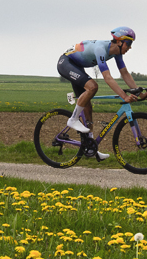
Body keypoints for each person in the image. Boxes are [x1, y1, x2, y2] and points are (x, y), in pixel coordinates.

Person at [57, 27, 141, 160]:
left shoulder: (117, 53)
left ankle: (90, 147)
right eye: (129, 43)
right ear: (119, 42)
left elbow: (124, 73)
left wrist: (140, 93)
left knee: (88, 106)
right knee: (93, 87)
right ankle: (73, 119)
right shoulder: (101, 49)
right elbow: (107, 77)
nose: (130, 48)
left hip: (77, 66)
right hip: (66, 62)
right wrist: (124, 96)